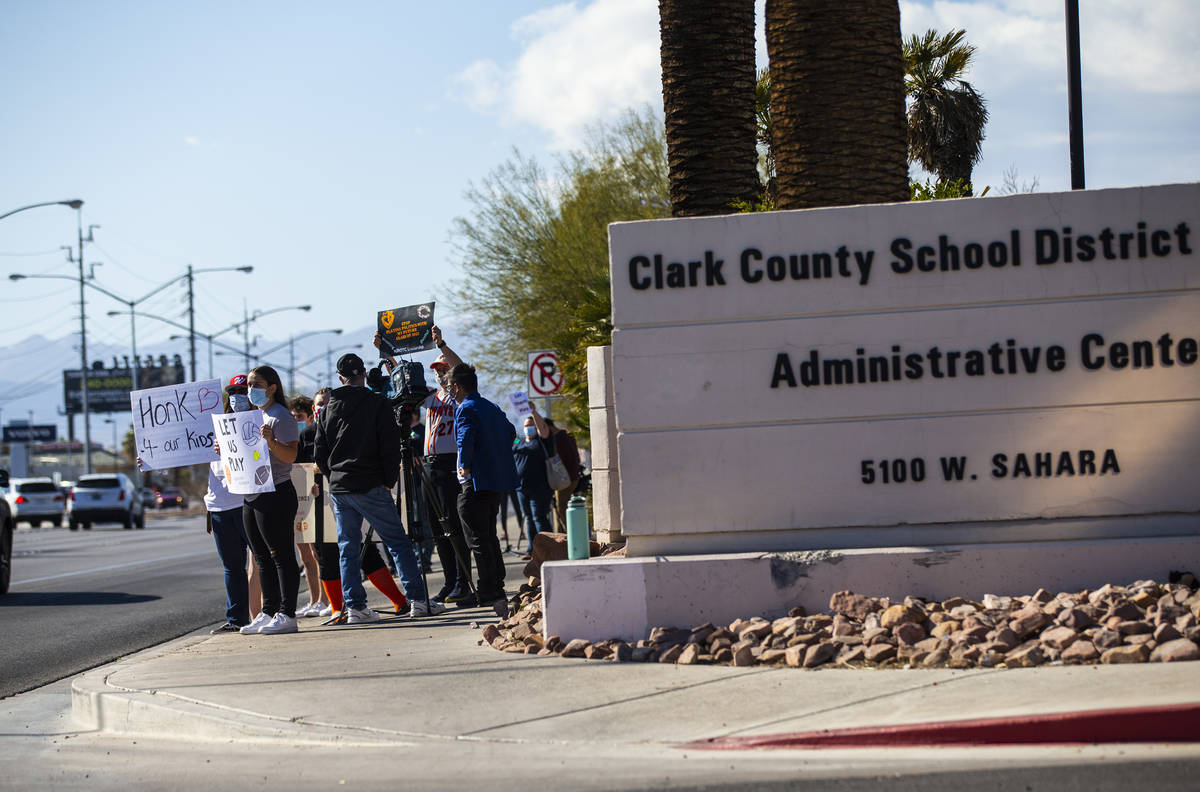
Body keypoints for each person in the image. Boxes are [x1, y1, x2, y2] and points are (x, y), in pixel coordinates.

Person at [313, 352, 443, 620]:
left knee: (348, 548)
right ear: (362, 374)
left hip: (341, 488)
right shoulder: (377, 403)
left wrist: (333, 475)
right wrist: (387, 481)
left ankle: (355, 607)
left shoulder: (327, 411)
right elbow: (389, 445)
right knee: (397, 542)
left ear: (340, 379)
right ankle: (418, 600)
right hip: (370, 483)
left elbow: (320, 454)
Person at [374, 325, 474, 607]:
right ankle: (450, 580)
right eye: (437, 371)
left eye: (444, 370)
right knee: (437, 527)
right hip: (430, 464)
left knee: (453, 525)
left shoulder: (460, 396)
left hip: (452, 463)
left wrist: (441, 345)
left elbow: (460, 366)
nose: (440, 374)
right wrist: (387, 354)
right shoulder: (431, 396)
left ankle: (463, 582)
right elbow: (403, 384)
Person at [294, 388, 410, 619]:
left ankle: (400, 601)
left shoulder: (345, 427)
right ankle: (338, 609)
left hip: (345, 495)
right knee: (327, 555)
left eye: (326, 404)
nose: (321, 408)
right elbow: (298, 468)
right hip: (318, 504)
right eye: (318, 404)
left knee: (365, 552)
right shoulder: (307, 435)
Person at [447, 362, 519, 618]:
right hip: (494, 483)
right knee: (489, 536)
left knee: (476, 539)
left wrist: (465, 466)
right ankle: (495, 586)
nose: (449, 392)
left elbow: (464, 438)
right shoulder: (491, 406)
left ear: (457, 387)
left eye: (449, 387)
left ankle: (486, 589)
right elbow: (511, 433)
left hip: (475, 482)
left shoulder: (465, 409)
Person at [238, 365, 301, 636]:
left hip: (276, 492)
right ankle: (268, 610)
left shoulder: (281, 416)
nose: (251, 390)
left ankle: (287, 613)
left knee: (281, 556)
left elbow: (290, 456)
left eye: (257, 384)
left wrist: (272, 441)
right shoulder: (254, 415)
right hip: (252, 494)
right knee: (261, 557)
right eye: (250, 385)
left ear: (272, 387)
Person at [205, 376, 254, 633]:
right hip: (220, 506)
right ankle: (237, 619)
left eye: (243, 391)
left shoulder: (259, 422)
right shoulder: (213, 426)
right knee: (232, 567)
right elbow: (182, 450)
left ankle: (269, 612)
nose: (238, 396)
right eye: (233, 391)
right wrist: (148, 459)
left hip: (248, 503)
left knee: (262, 561)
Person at [289, 395, 325, 616]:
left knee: (318, 552)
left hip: (317, 498)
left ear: (311, 416)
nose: (296, 422)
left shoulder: (317, 436)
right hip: (299, 498)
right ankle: (314, 600)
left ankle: (324, 598)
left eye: (299, 417)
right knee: (305, 556)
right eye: (292, 418)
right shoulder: (295, 440)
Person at [512, 407, 554, 561]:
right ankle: (532, 550)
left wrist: (534, 412)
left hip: (540, 488)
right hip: (521, 488)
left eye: (531, 426)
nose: (528, 429)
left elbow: (543, 429)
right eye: (526, 426)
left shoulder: (542, 441)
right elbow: (511, 440)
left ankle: (549, 550)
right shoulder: (519, 441)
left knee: (539, 518)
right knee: (529, 518)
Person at [546, 417, 582, 532]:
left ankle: (570, 534)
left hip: (565, 479)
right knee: (561, 508)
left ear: (549, 428)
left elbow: (565, 459)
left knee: (562, 508)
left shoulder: (560, 439)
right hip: (571, 477)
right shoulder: (566, 435)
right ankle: (563, 534)